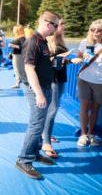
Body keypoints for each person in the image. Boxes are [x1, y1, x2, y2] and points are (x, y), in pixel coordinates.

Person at [15, 11, 60, 180]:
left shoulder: (42, 41)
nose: (56, 29)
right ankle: (24, 159)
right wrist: (39, 94)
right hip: (37, 89)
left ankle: (34, 153)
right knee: (36, 125)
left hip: (45, 87)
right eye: (56, 25)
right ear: (48, 24)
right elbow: (29, 68)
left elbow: (40, 64)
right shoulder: (33, 41)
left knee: (39, 124)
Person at [41, 18, 69, 158]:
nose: (63, 26)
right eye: (61, 24)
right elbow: (46, 61)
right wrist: (59, 57)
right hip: (53, 80)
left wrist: (70, 60)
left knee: (53, 109)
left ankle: (46, 134)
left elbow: (61, 62)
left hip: (61, 78)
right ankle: (46, 142)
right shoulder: (47, 42)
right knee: (52, 109)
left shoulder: (60, 41)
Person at [73, 19, 102, 147]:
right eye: (93, 30)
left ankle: (91, 134)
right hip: (84, 79)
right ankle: (83, 135)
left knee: (95, 109)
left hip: (100, 82)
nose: (96, 32)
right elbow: (78, 58)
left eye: (99, 30)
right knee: (84, 108)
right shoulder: (85, 42)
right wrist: (81, 57)